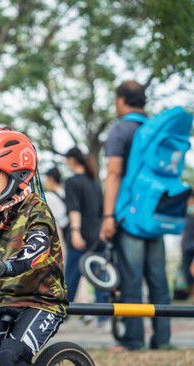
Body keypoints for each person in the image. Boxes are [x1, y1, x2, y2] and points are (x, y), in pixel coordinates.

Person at [0, 128, 68, 366]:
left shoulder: (36, 208)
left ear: (16, 177)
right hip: (9, 300)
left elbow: (38, 248)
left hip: (43, 302)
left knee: (11, 357)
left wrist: (6, 265)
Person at [99, 80, 171, 350]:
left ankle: (133, 340)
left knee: (131, 278)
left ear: (121, 100)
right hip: (157, 213)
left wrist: (108, 216)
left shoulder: (121, 129)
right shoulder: (156, 130)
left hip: (130, 216)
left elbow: (114, 173)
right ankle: (162, 340)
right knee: (158, 279)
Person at [44, 167, 68, 250]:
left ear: (50, 179)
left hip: (57, 233)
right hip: (68, 231)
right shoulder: (65, 193)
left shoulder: (48, 197)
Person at [181, 193, 194, 302]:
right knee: (187, 274)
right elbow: (184, 232)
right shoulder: (187, 215)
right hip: (187, 247)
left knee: (192, 270)